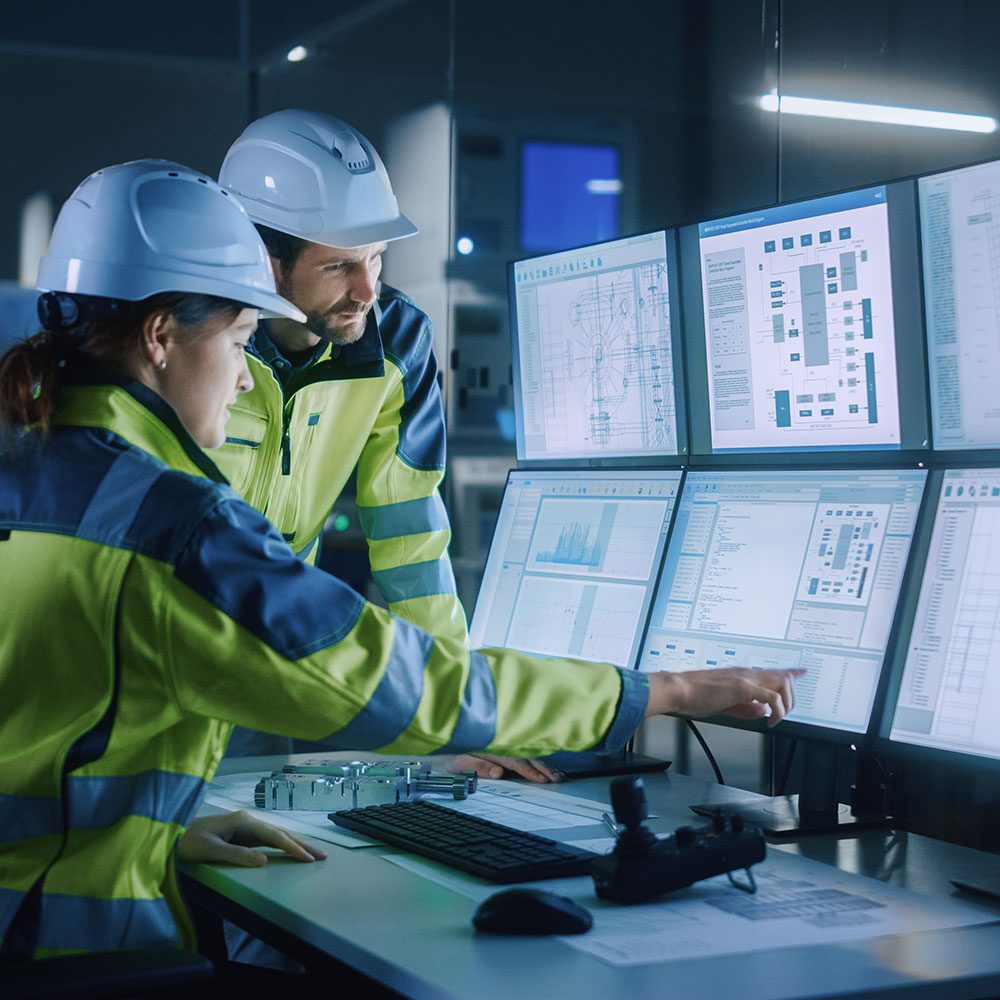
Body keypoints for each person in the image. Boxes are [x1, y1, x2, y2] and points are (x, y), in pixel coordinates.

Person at [0, 160, 801, 961]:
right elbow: (394, 681)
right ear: (161, 336)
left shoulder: (28, 470)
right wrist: (663, 690)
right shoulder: (173, 526)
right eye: (240, 338)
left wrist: (158, 831)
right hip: (67, 948)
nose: (245, 375)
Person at [216, 109, 551, 780]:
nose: (367, 290)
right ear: (262, 259)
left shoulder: (396, 342)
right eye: (340, 265)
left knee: (239, 851)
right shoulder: (196, 339)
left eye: (376, 258)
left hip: (260, 666)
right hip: (151, 651)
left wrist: (454, 716)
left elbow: (410, 541)